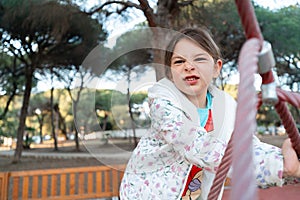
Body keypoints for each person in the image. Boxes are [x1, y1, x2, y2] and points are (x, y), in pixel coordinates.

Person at [119, 27, 300, 200]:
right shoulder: (163, 101)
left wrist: (285, 161)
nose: (189, 66)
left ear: (216, 68)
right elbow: (192, 142)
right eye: (179, 61)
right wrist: (278, 166)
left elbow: (244, 145)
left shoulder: (227, 106)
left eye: (199, 59)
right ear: (170, 73)